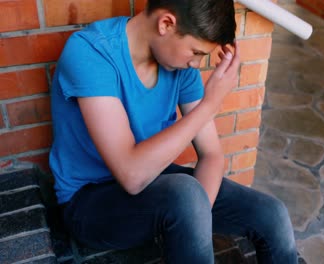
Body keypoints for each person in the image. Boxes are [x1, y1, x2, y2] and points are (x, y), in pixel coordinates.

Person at [49, 0, 297, 263]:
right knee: (186, 194)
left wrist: (195, 219)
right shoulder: (91, 52)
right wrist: (211, 102)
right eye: (197, 52)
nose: (196, 64)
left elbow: (211, 154)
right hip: (89, 202)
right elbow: (131, 175)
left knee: (272, 214)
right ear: (166, 24)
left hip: (159, 187)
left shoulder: (178, 66)